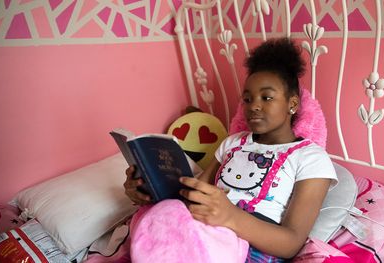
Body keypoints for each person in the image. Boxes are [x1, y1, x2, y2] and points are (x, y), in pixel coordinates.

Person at [124, 38, 337, 261]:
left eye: (266, 97)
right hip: (207, 228)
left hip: (255, 245)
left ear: (292, 104)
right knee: (159, 220)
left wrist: (230, 217)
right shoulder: (233, 142)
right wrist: (149, 188)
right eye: (247, 98)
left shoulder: (311, 157)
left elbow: (291, 243)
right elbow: (195, 193)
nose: (253, 105)